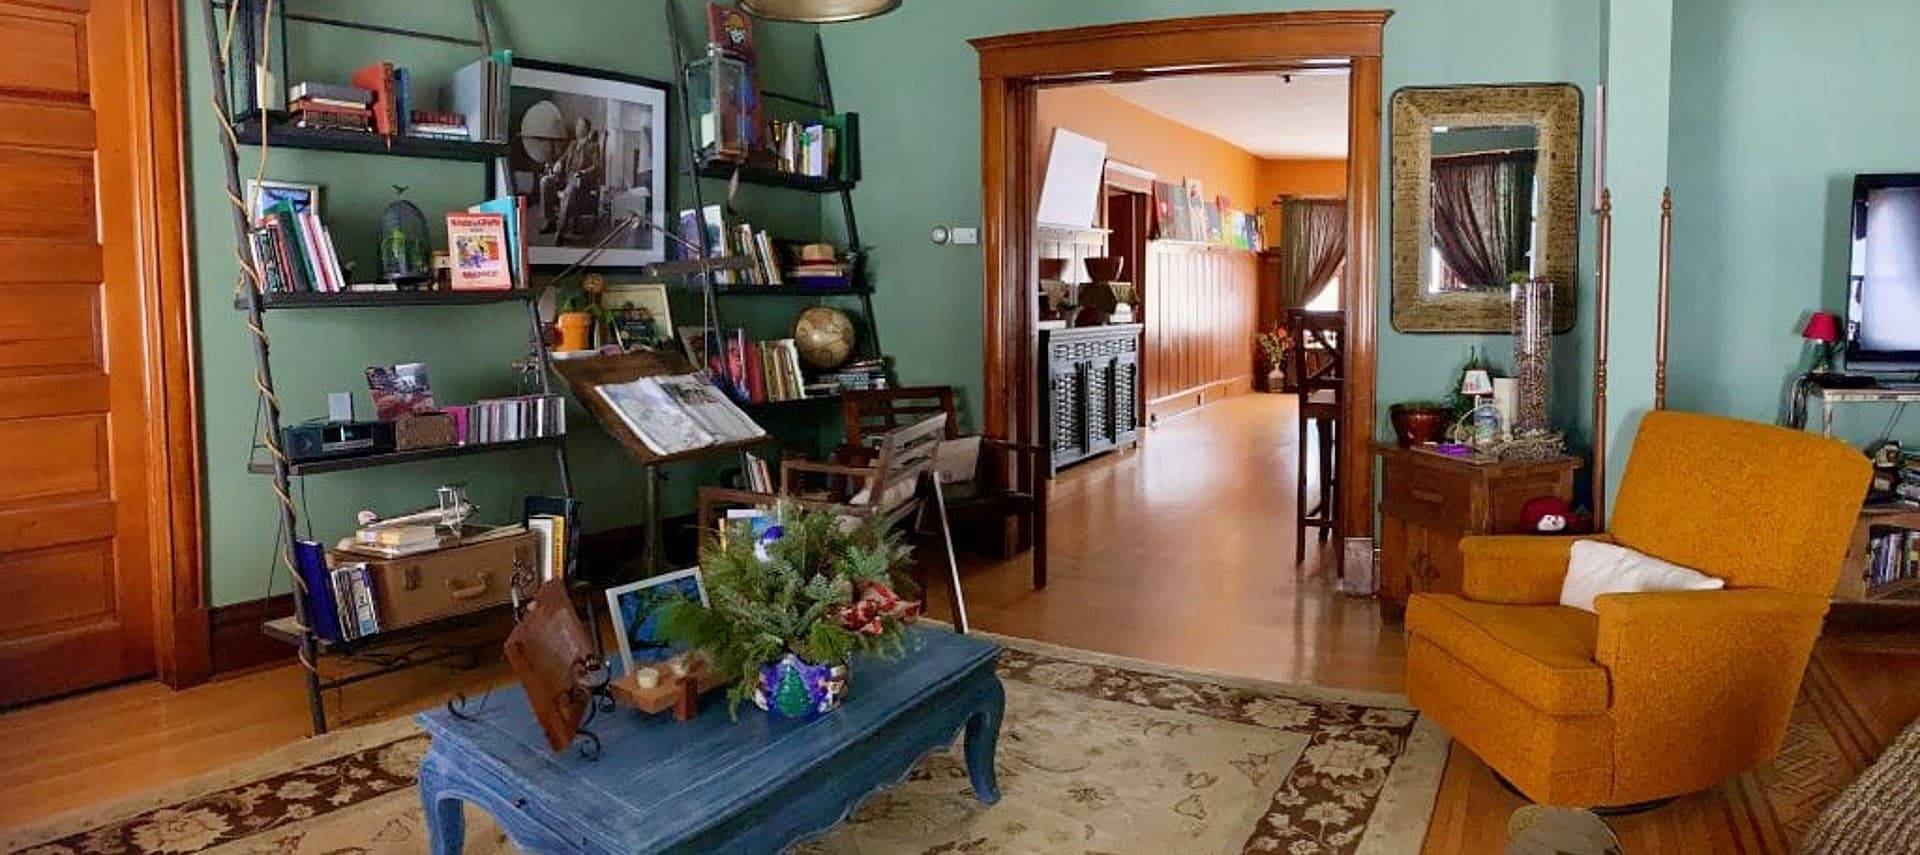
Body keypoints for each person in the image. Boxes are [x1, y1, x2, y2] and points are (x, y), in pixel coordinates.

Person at [538, 117, 607, 240]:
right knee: (545, 181)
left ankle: (560, 230)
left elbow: (597, 166)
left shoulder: (593, 146)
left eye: (579, 126)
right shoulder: (572, 144)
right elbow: (563, 157)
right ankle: (550, 221)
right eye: (576, 125)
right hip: (566, 178)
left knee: (570, 190)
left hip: (581, 181)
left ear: (586, 129)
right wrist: (558, 163)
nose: (576, 128)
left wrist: (583, 172)